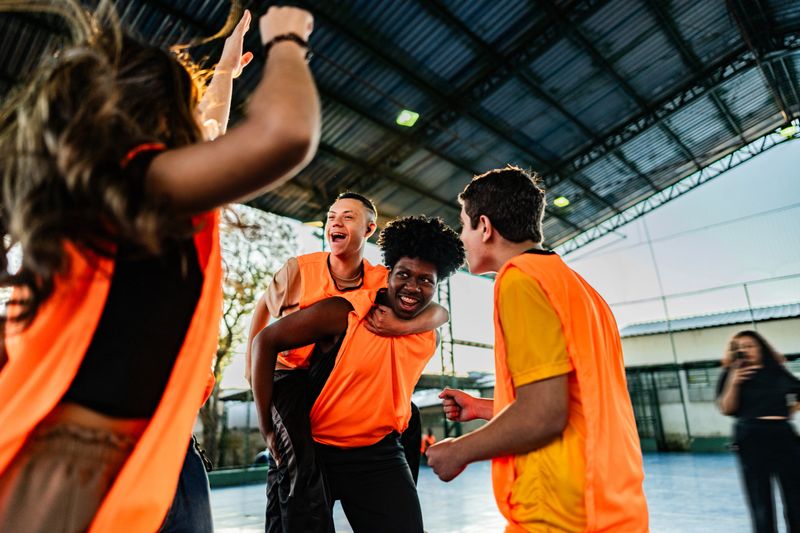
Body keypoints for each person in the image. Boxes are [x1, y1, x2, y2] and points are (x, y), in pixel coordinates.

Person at [0, 2, 319, 531]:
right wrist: (287, 39)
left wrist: (221, 73)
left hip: (143, 453)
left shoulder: (119, 195)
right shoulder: (142, 183)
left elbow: (211, 128)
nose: (200, 121)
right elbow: (285, 134)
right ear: (161, 116)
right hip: (77, 472)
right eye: (186, 105)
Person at [425, 166, 648, 532]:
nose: (462, 238)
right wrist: (485, 408)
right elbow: (577, 405)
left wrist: (458, 451)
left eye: (463, 225)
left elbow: (544, 415)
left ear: (485, 226)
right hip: (611, 505)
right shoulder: (580, 290)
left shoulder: (519, 280)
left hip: (559, 511)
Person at [251, 215, 465, 533]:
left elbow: (439, 313)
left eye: (426, 281)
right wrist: (268, 428)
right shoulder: (346, 311)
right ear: (388, 274)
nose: (413, 287)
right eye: (404, 275)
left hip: (377, 454)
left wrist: (404, 325)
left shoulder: (427, 333)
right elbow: (264, 341)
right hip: (314, 450)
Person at [716, 330, 800, 533]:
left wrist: (788, 411)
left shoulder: (777, 371)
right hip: (752, 436)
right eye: (738, 347)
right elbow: (727, 408)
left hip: (783, 436)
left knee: (796, 496)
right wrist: (734, 381)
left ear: (761, 347)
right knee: (760, 500)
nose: (743, 350)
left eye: (749, 345)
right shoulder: (731, 374)